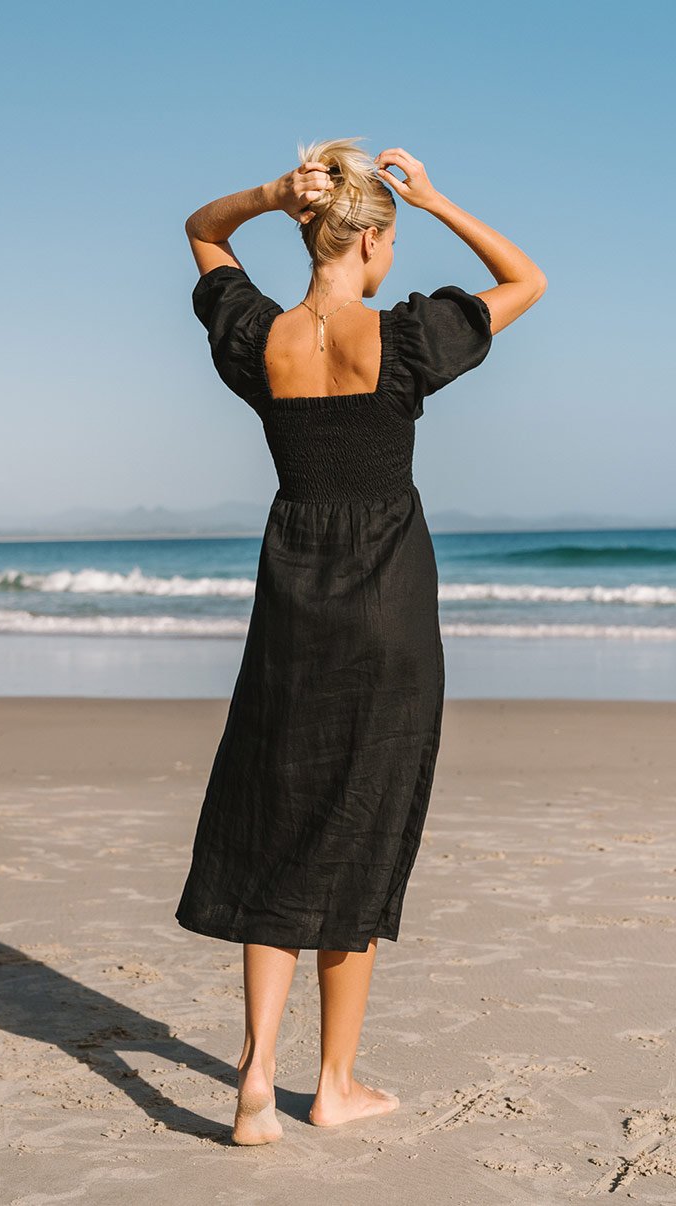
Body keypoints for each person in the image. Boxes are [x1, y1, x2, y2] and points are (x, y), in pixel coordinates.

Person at [176, 138, 546, 1144]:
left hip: (291, 604)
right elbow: (524, 279)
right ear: (375, 240)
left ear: (308, 231)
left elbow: (201, 233)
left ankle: (256, 1076)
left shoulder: (258, 337)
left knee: (276, 820)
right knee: (360, 831)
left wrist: (263, 194)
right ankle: (332, 1083)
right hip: (387, 612)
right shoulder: (410, 338)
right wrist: (434, 199)